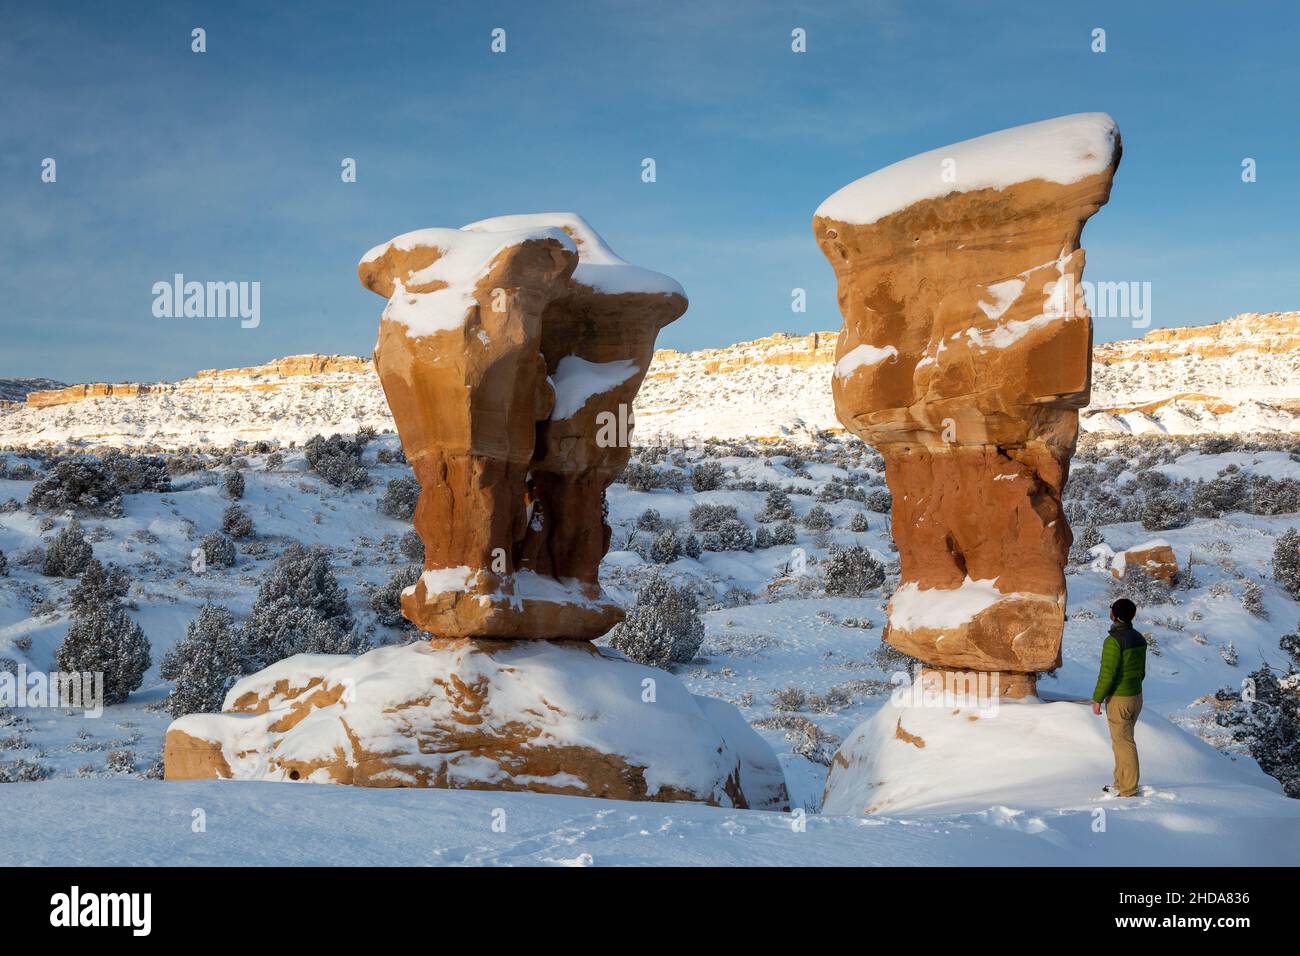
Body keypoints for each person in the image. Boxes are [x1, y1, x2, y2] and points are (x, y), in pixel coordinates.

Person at [1091, 597, 1147, 797]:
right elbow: (1141, 672)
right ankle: (1120, 782)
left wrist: (1097, 699)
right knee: (1121, 741)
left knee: (1124, 743)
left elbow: (1108, 673)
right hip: (1136, 696)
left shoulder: (1113, 641)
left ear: (1114, 614)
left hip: (1119, 699)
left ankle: (1128, 788)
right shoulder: (1139, 638)